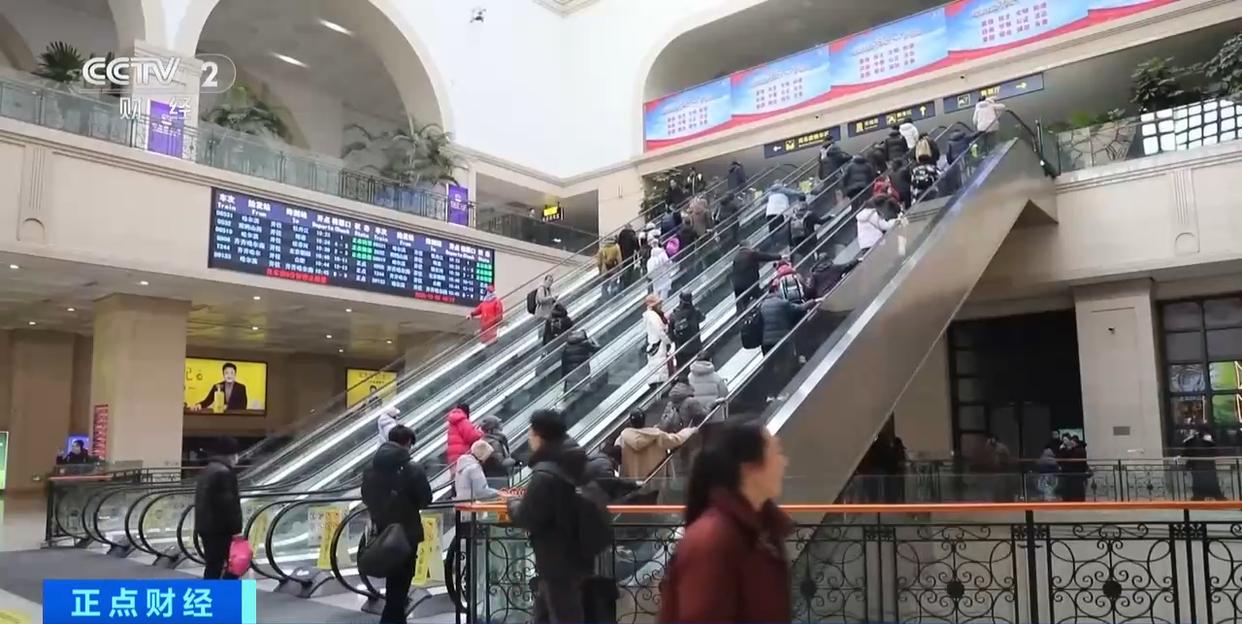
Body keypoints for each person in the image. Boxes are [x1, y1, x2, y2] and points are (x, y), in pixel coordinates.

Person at [658, 421, 791, 623]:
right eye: (776, 453)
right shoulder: (711, 539)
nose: (783, 462)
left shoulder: (760, 530)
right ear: (749, 469)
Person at [506, 409, 592, 623]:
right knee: (546, 613)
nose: (529, 438)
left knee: (564, 615)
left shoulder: (545, 475)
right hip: (573, 553)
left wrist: (512, 503)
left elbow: (527, 516)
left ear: (540, 435)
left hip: (555, 559)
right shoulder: (570, 463)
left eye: (531, 433)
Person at [361, 425, 432, 624]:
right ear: (407, 442)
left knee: (392, 577)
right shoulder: (412, 468)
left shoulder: (371, 467)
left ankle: (396, 619)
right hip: (406, 531)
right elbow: (425, 499)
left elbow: (366, 496)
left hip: (382, 529)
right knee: (401, 580)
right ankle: (390, 620)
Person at [194, 437, 242, 580]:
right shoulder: (224, 473)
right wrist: (236, 530)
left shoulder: (208, 470)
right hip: (221, 530)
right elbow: (229, 505)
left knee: (213, 566)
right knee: (235, 564)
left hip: (206, 527)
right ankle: (225, 592)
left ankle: (210, 591)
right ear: (230, 455)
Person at [616, 410, 696, 481]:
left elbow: (618, 461)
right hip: (656, 481)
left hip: (635, 484)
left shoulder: (621, 440)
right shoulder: (656, 435)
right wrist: (689, 431)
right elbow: (677, 440)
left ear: (631, 422)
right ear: (644, 420)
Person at [730, 246, 783, 312]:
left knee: (741, 306)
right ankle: (773, 308)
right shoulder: (750, 254)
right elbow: (765, 256)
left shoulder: (737, 257)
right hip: (749, 284)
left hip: (738, 285)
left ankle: (742, 316)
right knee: (762, 297)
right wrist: (779, 257)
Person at [668, 290, 705, 372]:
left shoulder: (674, 315)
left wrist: (676, 339)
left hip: (681, 349)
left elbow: (670, 334)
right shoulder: (695, 311)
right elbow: (702, 318)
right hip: (695, 346)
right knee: (698, 370)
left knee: (683, 371)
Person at [643, 294, 674, 389]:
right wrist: (668, 340)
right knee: (660, 368)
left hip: (657, 345)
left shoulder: (654, 315)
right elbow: (660, 331)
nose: (661, 305)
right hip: (659, 345)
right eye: (659, 304)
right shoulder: (653, 316)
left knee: (659, 367)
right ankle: (661, 388)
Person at [1185, 430, 1225, 501]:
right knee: (1211, 483)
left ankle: (1199, 497)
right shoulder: (1207, 441)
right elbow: (1215, 450)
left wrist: (1188, 465)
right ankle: (1216, 496)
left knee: (1200, 485)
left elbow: (1188, 453)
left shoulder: (1192, 442)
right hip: (1206, 467)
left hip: (1199, 467)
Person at [446, 403, 482, 476]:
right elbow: (471, 437)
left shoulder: (453, 422)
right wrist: (480, 432)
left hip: (454, 456)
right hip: (462, 456)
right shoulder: (462, 420)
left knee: (457, 478)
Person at [646, 237, 673, 301]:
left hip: (655, 278)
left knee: (656, 291)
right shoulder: (662, 253)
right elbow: (668, 263)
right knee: (664, 292)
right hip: (663, 276)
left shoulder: (651, 255)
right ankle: (662, 304)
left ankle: (656, 303)